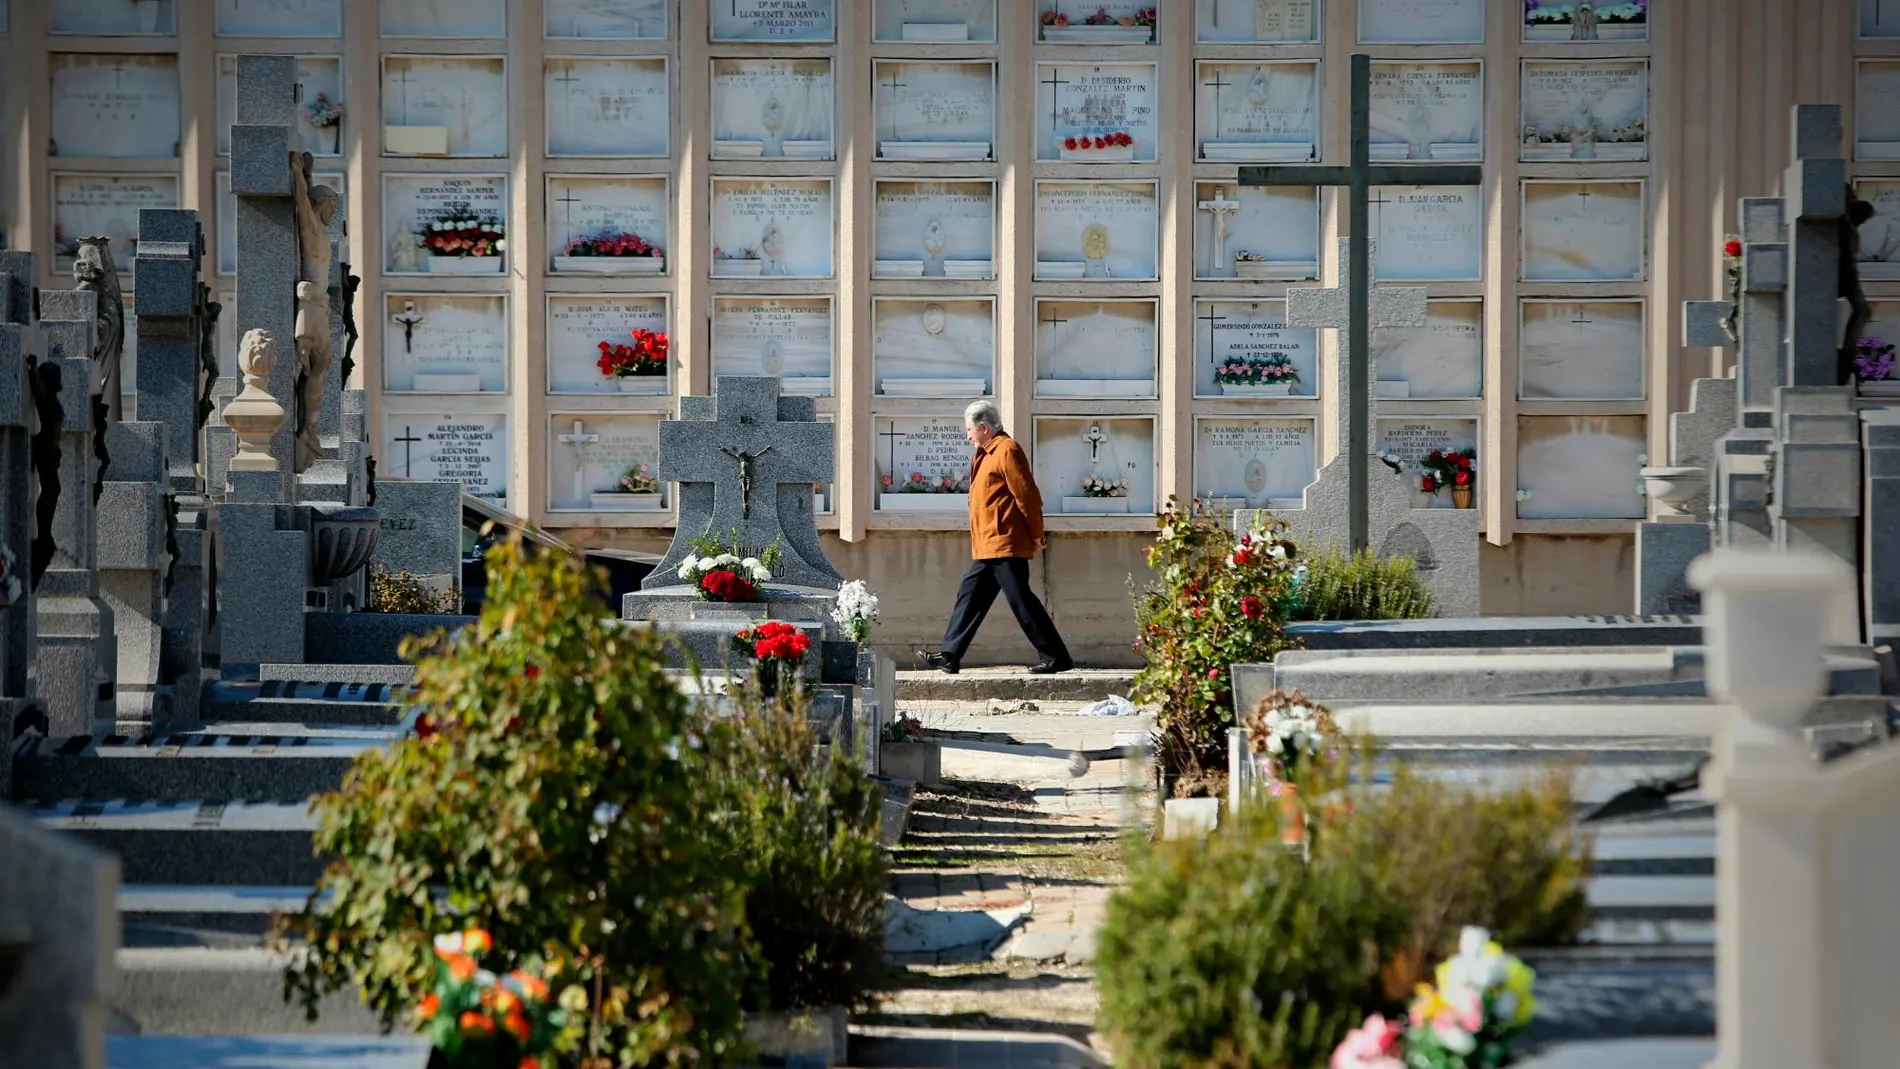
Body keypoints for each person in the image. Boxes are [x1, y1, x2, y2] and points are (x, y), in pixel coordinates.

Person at [920, 401, 1074, 675]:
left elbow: (1027, 496)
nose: (967, 435)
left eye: (969, 429)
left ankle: (1055, 656)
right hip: (988, 544)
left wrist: (1036, 534)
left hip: (1005, 542)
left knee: (1021, 600)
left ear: (983, 427)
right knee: (969, 595)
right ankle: (949, 655)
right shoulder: (984, 453)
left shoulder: (1007, 450)